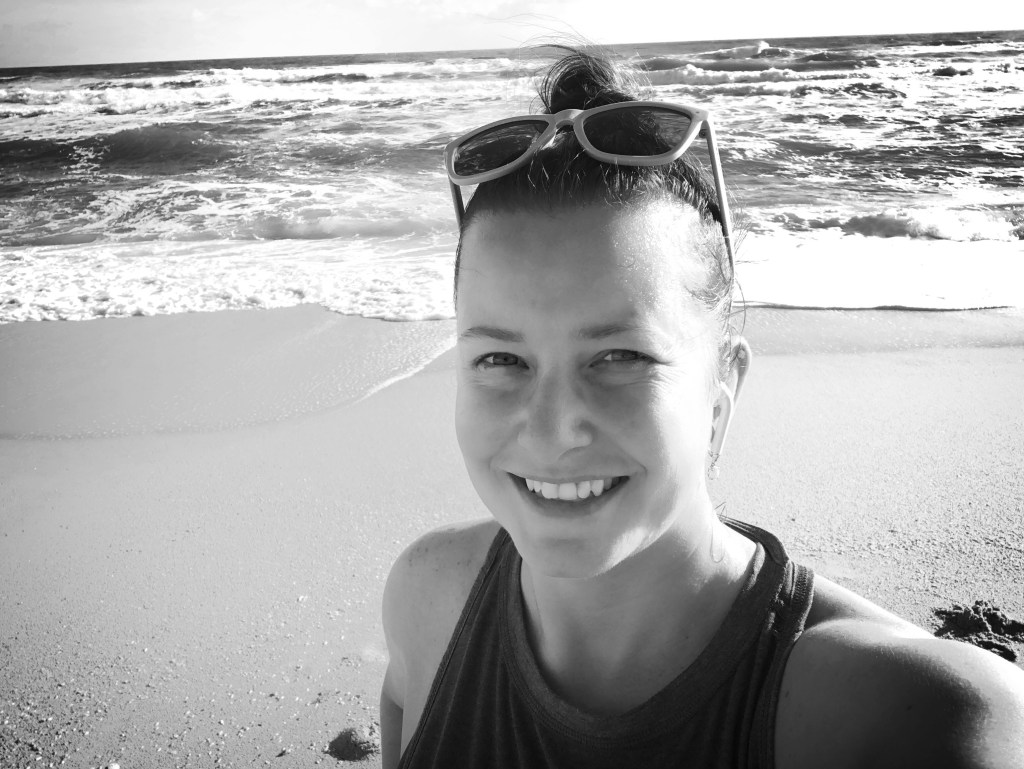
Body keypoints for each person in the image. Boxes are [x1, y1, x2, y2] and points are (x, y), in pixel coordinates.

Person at [379, 48, 1024, 768]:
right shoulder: (425, 600)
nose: (554, 428)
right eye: (501, 360)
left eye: (620, 357)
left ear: (723, 391)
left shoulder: (909, 721)